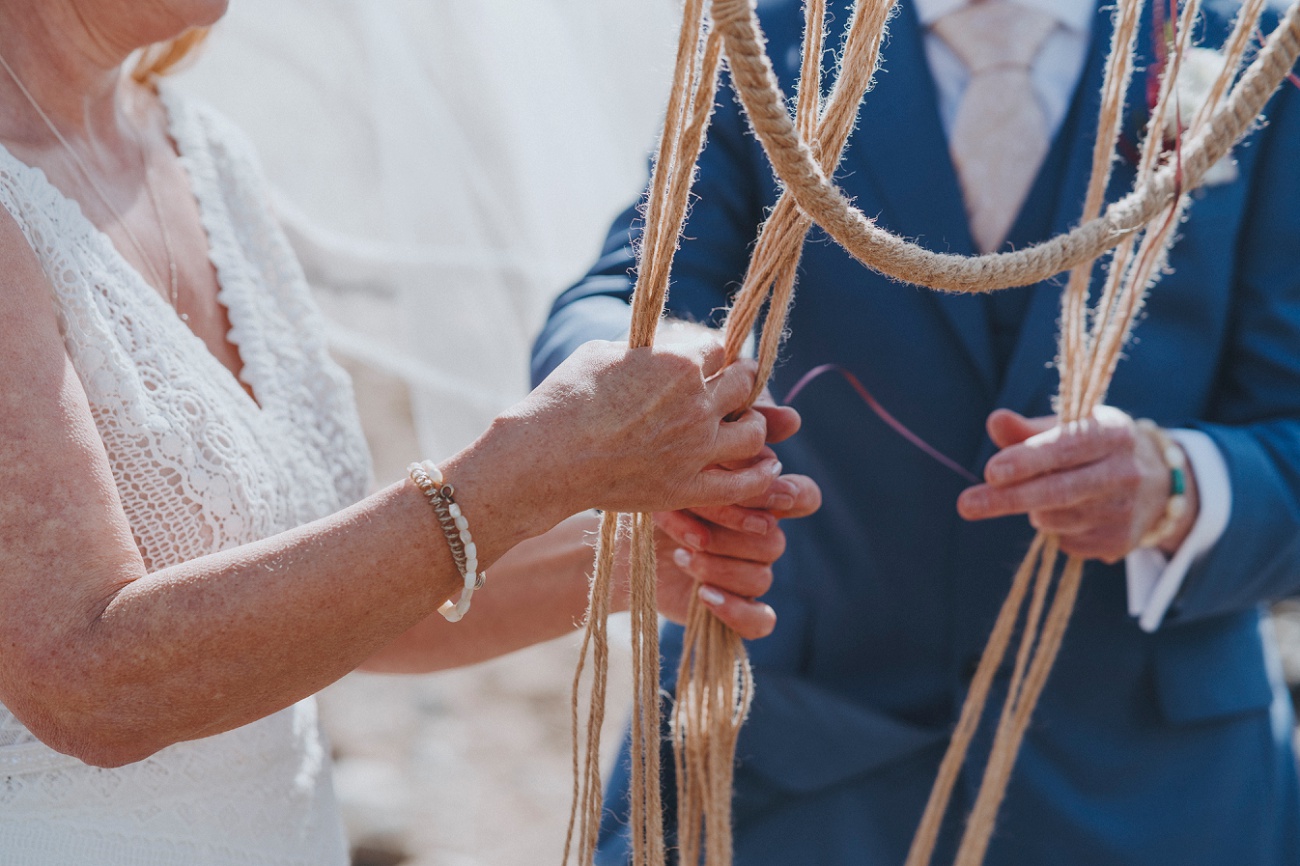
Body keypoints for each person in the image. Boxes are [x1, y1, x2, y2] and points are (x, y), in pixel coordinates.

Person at [0, 1, 822, 863]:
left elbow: (337, 608)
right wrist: (536, 463)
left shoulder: (198, 151)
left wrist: (642, 553)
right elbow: (87, 687)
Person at [533, 0, 1300, 863]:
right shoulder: (771, 30)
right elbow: (621, 297)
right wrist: (658, 368)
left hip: (1152, 792)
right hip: (792, 772)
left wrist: (1179, 484)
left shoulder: (1247, 42)